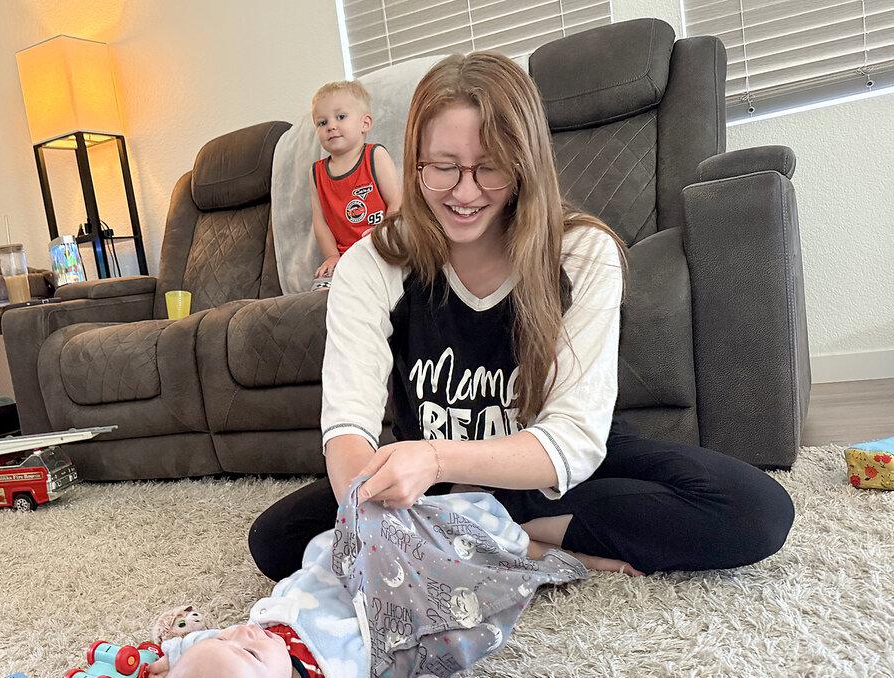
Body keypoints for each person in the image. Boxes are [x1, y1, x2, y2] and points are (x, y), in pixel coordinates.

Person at [251, 52, 795, 583]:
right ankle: (530, 548)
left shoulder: (581, 252)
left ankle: (497, 537)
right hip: (432, 486)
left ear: (525, 164)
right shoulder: (372, 263)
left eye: (489, 168)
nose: (465, 193)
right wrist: (366, 500)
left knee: (755, 509)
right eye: (442, 168)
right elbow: (347, 424)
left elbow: (574, 442)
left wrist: (437, 462)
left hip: (552, 468)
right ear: (413, 161)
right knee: (276, 541)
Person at [151, 484, 586, 678]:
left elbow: (222, 653)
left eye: (223, 640)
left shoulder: (258, 664)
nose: (243, 631)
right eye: (248, 653)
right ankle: (531, 545)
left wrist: (178, 650)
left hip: (332, 561)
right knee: (474, 533)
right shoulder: (345, 674)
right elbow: (407, 637)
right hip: (393, 578)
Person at [309, 80, 402, 290]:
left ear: (365, 123)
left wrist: (383, 234)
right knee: (321, 296)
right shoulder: (316, 173)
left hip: (382, 245)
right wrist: (332, 256)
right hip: (345, 257)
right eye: (322, 123)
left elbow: (397, 200)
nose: (331, 126)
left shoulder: (375, 155)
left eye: (340, 117)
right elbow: (320, 221)